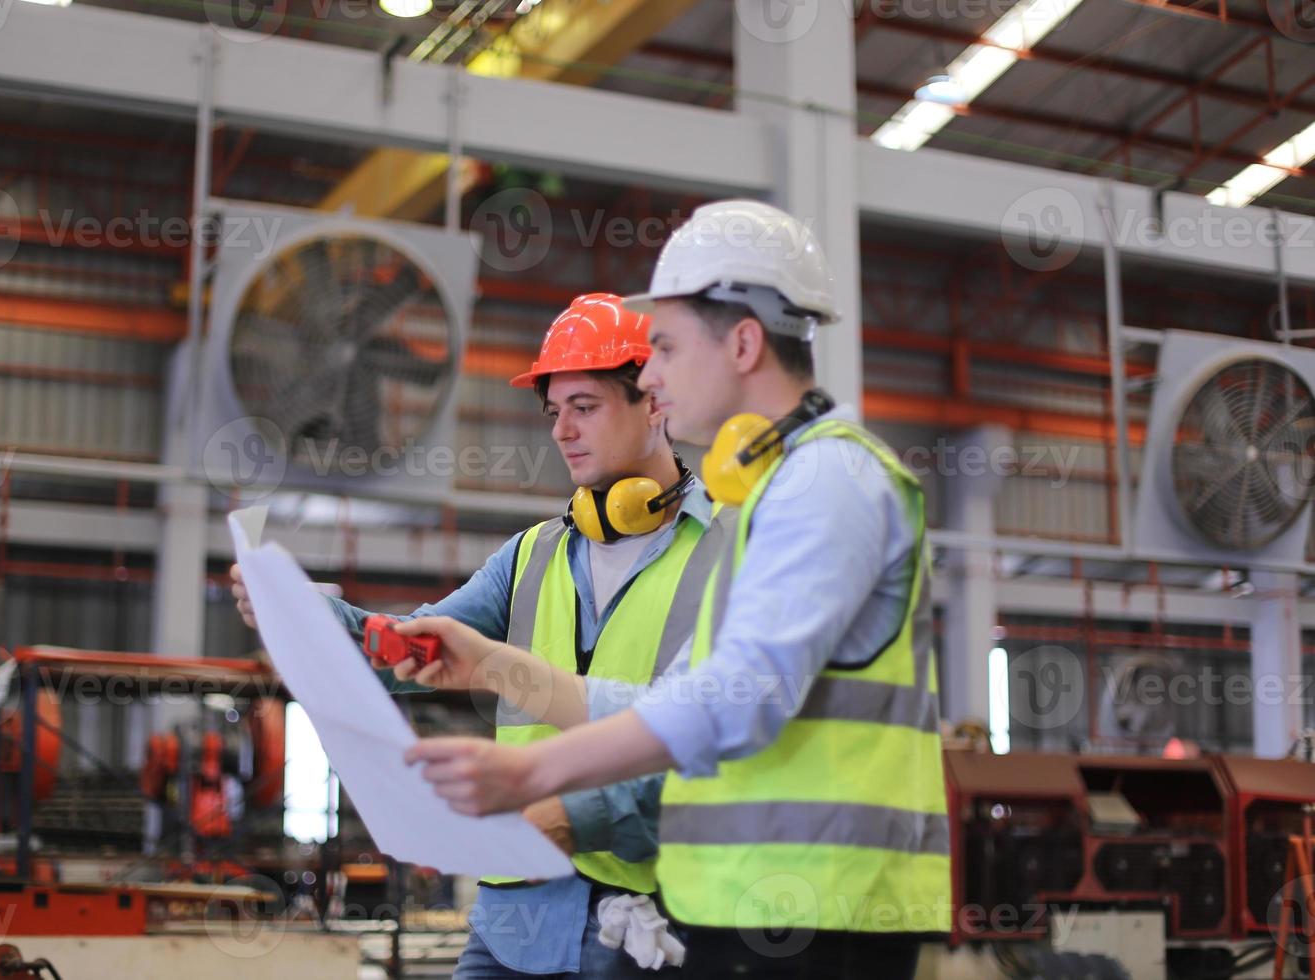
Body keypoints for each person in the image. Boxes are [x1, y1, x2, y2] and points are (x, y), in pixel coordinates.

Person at [390, 201, 952, 979]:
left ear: (745, 343)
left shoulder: (832, 479)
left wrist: (534, 772)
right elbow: (675, 696)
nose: (651, 374)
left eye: (667, 346)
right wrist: (492, 665)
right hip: (752, 909)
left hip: (822, 914)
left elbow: (732, 700)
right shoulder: (773, 496)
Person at [232, 293, 730, 978]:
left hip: (638, 923)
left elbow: (710, 742)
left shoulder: (727, 556)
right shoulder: (532, 556)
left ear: (655, 404)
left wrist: (570, 815)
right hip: (513, 914)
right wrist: (306, 614)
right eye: (555, 412)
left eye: (585, 407)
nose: (562, 432)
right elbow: (411, 649)